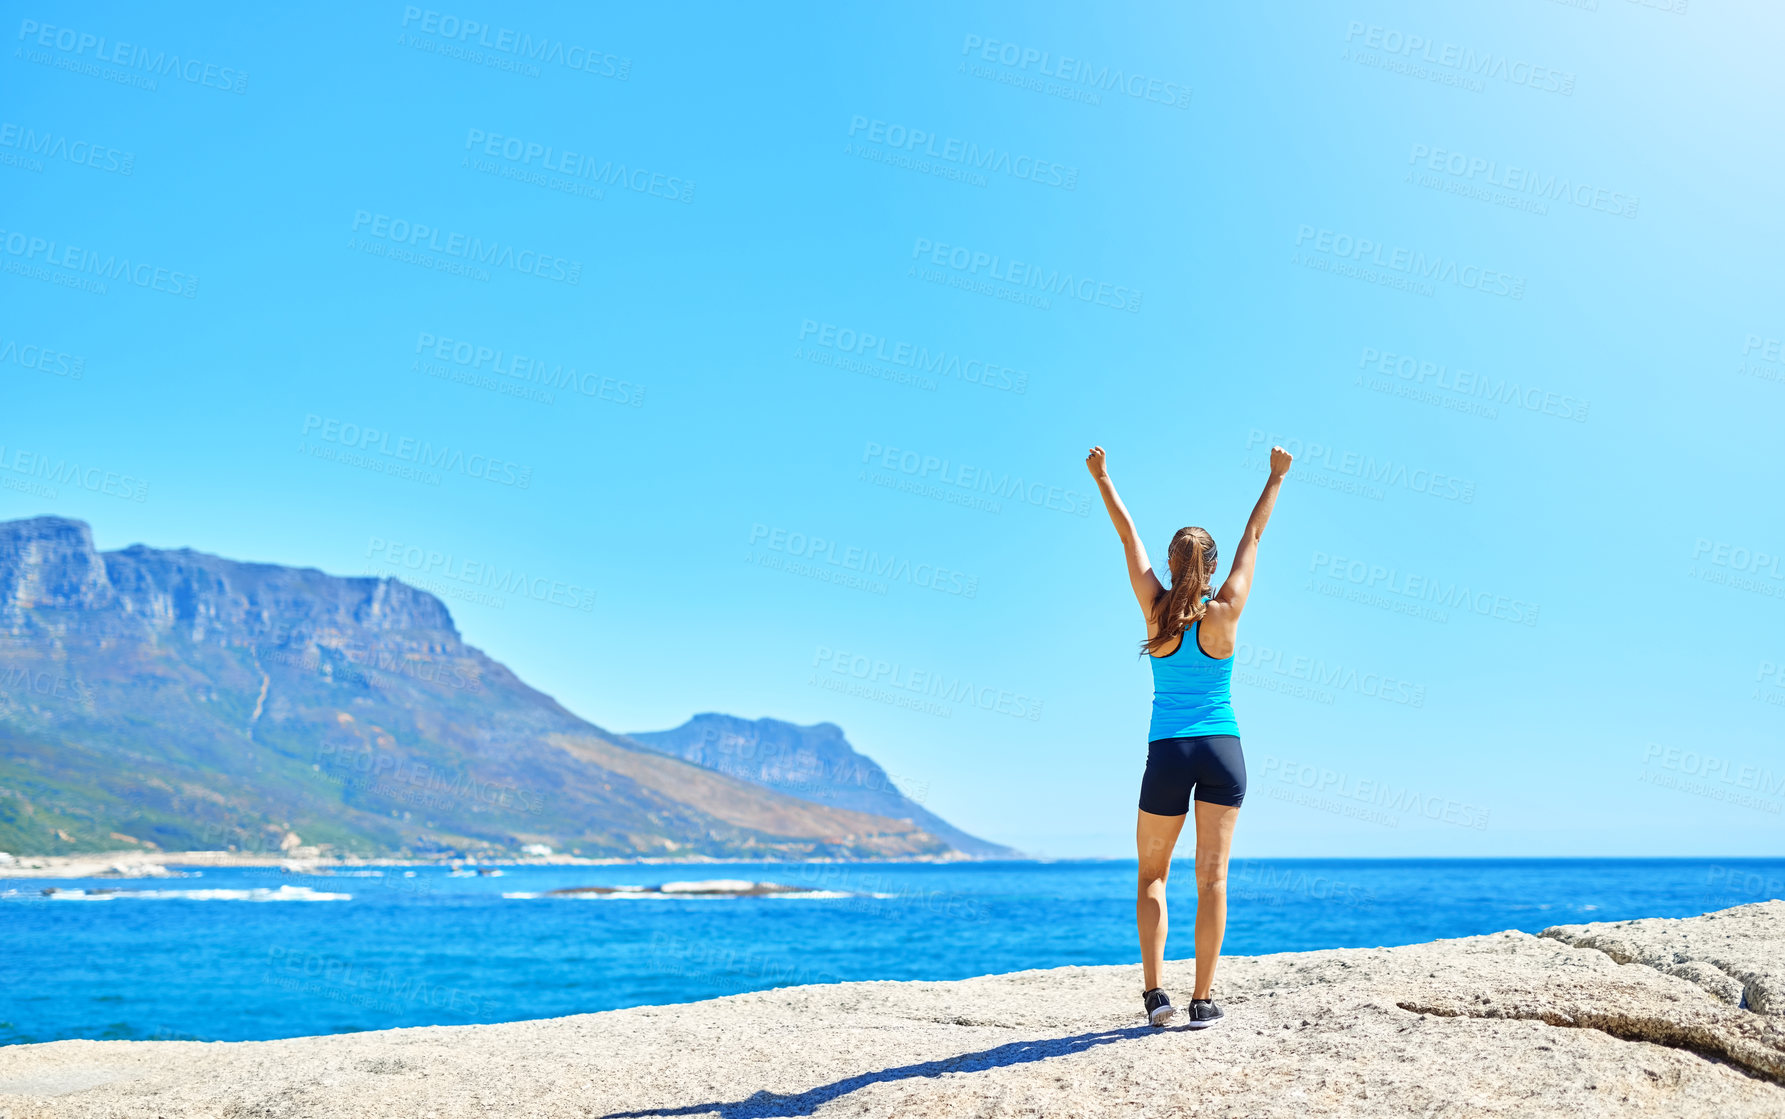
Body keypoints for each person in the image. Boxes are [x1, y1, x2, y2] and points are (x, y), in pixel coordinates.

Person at [1084, 443, 1293, 1028]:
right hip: (1223, 749)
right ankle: (1203, 1000)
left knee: (1153, 875)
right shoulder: (1225, 609)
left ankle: (1156, 999)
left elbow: (1128, 538)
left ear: (1173, 567)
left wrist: (1104, 478)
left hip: (1169, 751)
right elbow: (1255, 537)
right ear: (1210, 565)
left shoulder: (1155, 610)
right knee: (1213, 878)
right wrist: (1274, 478)